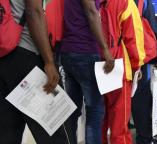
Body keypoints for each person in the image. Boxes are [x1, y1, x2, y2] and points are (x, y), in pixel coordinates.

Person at [0, 0, 71, 144]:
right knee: (57, 132)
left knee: (7, 134)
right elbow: (34, 11)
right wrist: (49, 61)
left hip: (3, 57)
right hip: (27, 55)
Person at [59, 0, 115, 144]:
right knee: (95, 111)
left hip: (67, 52)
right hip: (85, 51)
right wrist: (105, 49)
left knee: (72, 110)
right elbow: (91, 11)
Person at [100, 0, 146, 143]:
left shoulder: (92, 2)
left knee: (98, 121)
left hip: (95, 66)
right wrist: (137, 65)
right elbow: (133, 38)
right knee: (119, 125)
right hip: (119, 68)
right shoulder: (125, 3)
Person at [132, 0, 157, 143]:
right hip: (140, 56)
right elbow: (153, 29)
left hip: (116, 54)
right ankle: (144, 137)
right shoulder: (145, 2)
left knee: (121, 100)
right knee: (141, 97)